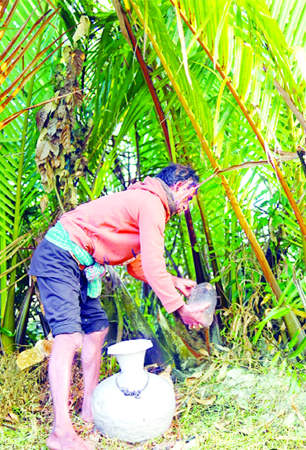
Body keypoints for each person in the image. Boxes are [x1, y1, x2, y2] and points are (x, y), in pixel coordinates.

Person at [28, 163, 210, 450]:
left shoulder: (148, 202)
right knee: (69, 337)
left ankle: (89, 416)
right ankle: (60, 433)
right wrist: (180, 310)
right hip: (60, 255)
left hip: (80, 265)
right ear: (179, 186)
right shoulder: (152, 203)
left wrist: (174, 281)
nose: (187, 207)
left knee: (98, 329)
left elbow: (140, 266)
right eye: (189, 198)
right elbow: (152, 266)